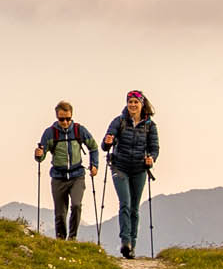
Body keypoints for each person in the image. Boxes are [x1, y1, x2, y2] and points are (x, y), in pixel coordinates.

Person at [102, 90, 158, 258]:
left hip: (139, 169)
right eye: (130, 102)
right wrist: (107, 141)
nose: (133, 105)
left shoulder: (150, 125)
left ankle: (132, 246)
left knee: (134, 207)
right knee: (125, 203)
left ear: (142, 104)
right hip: (120, 167)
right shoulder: (119, 121)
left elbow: (154, 148)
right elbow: (105, 145)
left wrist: (152, 159)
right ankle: (125, 242)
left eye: (136, 102)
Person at [33, 101, 99, 240]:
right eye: (62, 119)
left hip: (77, 176)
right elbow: (41, 156)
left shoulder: (79, 130)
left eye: (68, 118)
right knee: (60, 213)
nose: (65, 122)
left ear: (71, 116)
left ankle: (72, 238)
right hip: (58, 177)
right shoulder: (50, 133)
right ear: (57, 117)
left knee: (76, 205)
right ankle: (60, 239)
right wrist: (39, 154)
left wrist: (94, 165)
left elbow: (93, 147)